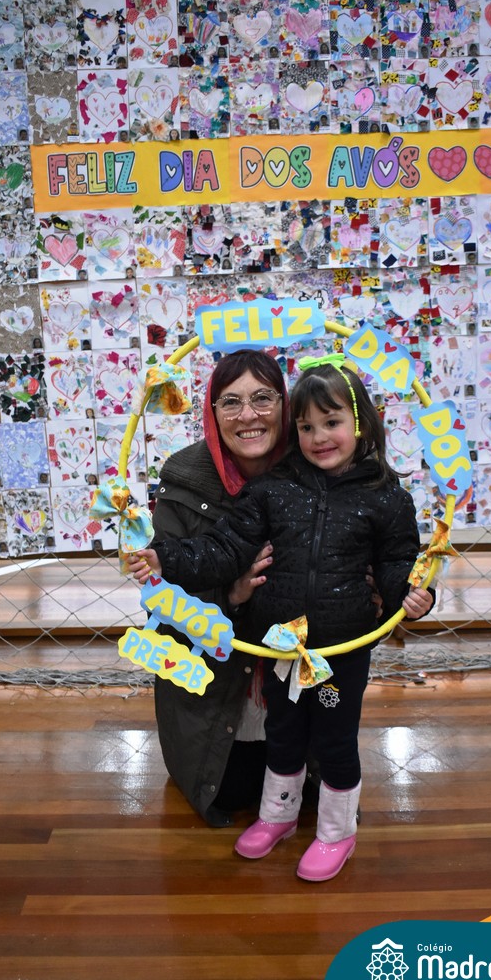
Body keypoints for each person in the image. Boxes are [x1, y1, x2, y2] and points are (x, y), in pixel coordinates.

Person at [128, 355, 433, 880]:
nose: (319, 437)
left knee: (335, 740)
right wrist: (165, 558)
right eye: (307, 427)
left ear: (361, 423)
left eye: (332, 423)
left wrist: (409, 595)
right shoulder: (274, 489)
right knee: (285, 732)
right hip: (280, 647)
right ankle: (278, 816)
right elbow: (223, 547)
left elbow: (397, 562)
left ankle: (337, 831)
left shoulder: (385, 497)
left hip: (339, 654)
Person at [137, 349, 290, 827]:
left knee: (300, 783)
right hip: (216, 685)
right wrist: (231, 596)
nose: (248, 415)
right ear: (211, 410)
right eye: (231, 402)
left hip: (293, 679)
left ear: (284, 405)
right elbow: (161, 605)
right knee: (234, 791)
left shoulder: (316, 474)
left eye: (263, 398)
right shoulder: (183, 486)